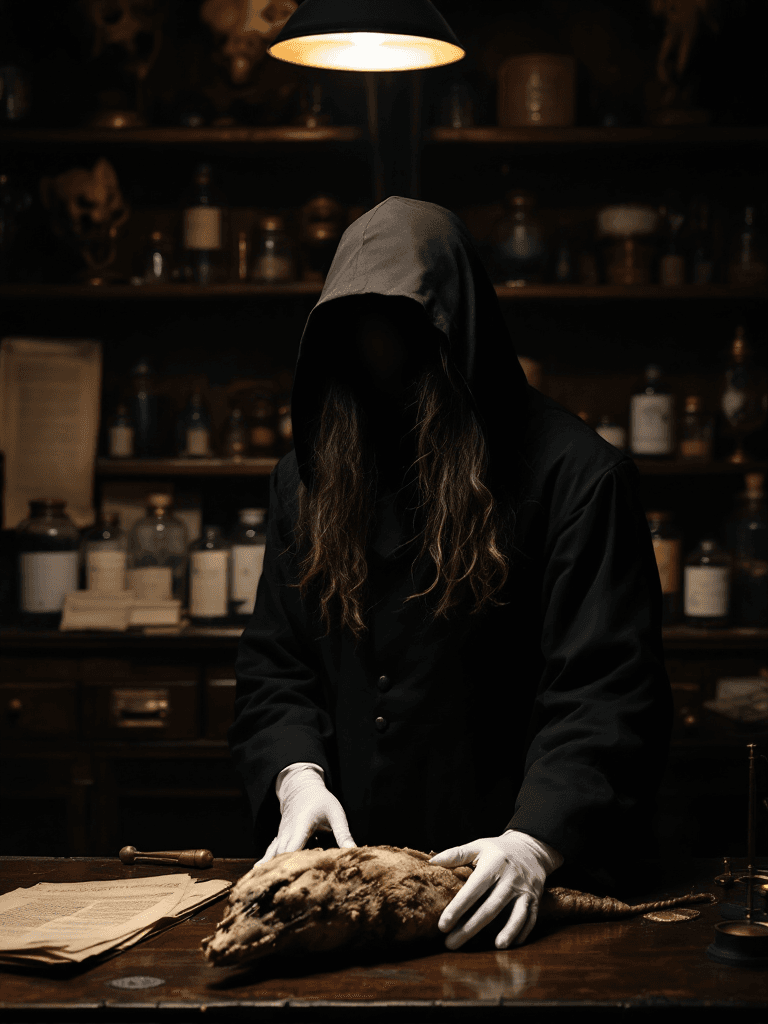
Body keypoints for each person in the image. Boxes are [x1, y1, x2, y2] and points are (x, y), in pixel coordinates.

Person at [228, 196, 674, 951]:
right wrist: (294, 777)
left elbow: (605, 692)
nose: (380, 374)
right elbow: (278, 663)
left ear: (457, 340)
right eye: (357, 346)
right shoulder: (304, 480)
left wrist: (538, 840)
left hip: (515, 895)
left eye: (402, 345)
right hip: (348, 888)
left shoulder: (579, 477)